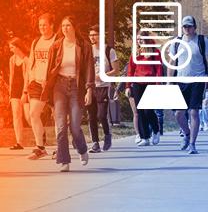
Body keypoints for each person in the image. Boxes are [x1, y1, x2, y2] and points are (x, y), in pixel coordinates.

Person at [41, 16, 95, 172]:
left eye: (68, 25)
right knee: (61, 126)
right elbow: (49, 70)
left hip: (77, 87)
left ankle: (82, 149)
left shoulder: (84, 46)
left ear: (74, 27)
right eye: (63, 25)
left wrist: (89, 89)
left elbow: (89, 69)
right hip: (59, 86)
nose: (65, 28)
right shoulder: (56, 46)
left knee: (75, 126)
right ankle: (64, 161)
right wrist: (47, 89)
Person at [167, 15, 208, 154]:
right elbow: (171, 64)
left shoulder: (202, 41)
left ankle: (193, 144)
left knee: (193, 112)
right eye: (184, 26)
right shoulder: (176, 43)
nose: (187, 29)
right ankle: (187, 134)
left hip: (197, 80)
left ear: (194, 27)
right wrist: (169, 82)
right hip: (180, 81)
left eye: (189, 26)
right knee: (178, 114)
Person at [24, 13, 57, 159]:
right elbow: (31, 63)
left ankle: (60, 148)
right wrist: (29, 82)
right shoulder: (36, 41)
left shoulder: (57, 41)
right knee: (33, 114)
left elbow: (59, 63)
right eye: (40, 25)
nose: (42, 28)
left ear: (51, 25)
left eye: (45, 24)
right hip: (36, 83)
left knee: (58, 116)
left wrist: (50, 79)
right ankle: (40, 147)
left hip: (53, 84)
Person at [125, 31, 163, 146]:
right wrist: (128, 86)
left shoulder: (155, 52)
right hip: (137, 84)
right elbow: (130, 70)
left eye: (141, 39)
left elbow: (159, 69)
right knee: (140, 111)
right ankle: (145, 137)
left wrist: (158, 84)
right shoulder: (135, 53)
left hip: (150, 84)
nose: (139, 41)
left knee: (148, 110)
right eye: (137, 39)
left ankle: (156, 130)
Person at [87, 24, 119, 153]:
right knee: (91, 116)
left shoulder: (108, 50)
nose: (92, 37)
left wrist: (103, 76)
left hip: (104, 87)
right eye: (90, 35)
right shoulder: (88, 50)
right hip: (90, 87)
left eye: (94, 35)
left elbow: (116, 70)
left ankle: (107, 135)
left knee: (101, 115)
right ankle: (95, 143)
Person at [8, 37, 30, 150]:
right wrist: (10, 92)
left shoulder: (27, 60)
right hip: (15, 91)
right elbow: (11, 76)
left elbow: (27, 77)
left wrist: (25, 92)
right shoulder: (12, 59)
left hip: (25, 91)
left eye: (12, 47)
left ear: (17, 47)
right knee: (16, 116)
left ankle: (41, 133)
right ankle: (19, 142)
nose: (10, 49)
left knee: (28, 116)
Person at [114, 64, 140, 143]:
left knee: (146, 112)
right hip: (132, 89)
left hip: (145, 89)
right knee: (136, 113)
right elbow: (125, 76)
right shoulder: (129, 64)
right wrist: (117, 90)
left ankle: (148, 131)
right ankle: (138, 134)